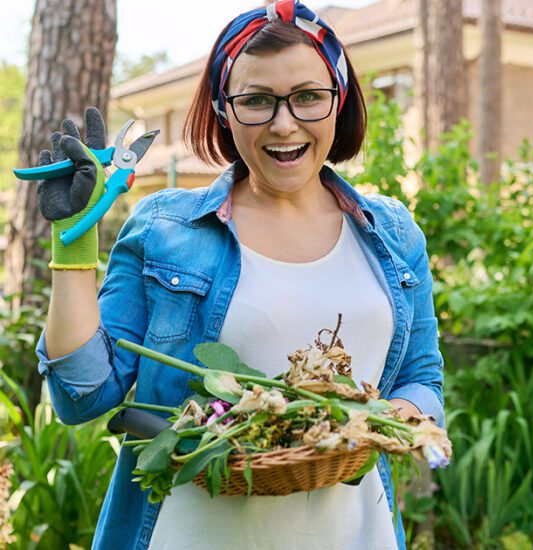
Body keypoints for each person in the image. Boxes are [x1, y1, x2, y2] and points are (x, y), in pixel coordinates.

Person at [34, 1, 444, 549]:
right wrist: (74, 244)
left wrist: (371, 423)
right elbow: (83, 396)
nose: (283, 123)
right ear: (225, 111)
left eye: (307, 97)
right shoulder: (167, 228)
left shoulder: (393, 234)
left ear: (338, 102)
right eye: (255, 100)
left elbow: (422, 379)